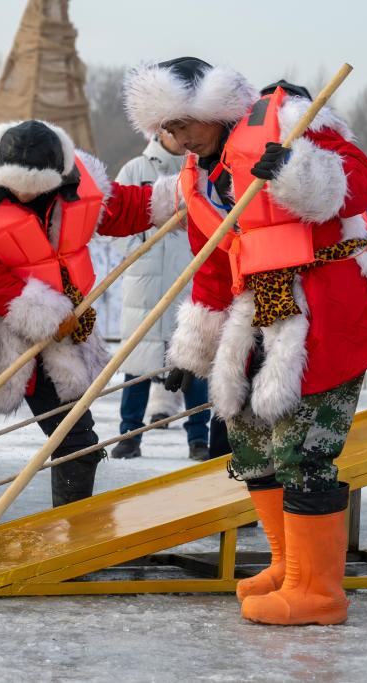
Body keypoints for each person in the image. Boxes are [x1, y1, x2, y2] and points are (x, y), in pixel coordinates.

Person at [124, 57, 367, 625]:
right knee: (252, 443)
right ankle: (288, 565)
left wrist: (298, 168)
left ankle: (319, 591)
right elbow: (212, 266)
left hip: (326, 311)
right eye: (167, 129)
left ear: (213, 109)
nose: (177, 138)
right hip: (251, 315)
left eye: (185, 124)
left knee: (305, 450)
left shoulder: (289, 121)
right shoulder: (197, 177)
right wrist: (194, 348)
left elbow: (363, 183)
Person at [0, 118, 175, 506]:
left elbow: (125, 208)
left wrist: (176, 197)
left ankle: (71, 528)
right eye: (16, 190)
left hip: (60, 336)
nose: (24, 196)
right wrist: (48, 316)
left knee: (75, 437)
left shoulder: (81, 183)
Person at [109, 131, 212, 461]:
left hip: (189, 275)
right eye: (171, 129)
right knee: (138, 359)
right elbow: (113, 217)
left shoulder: (200, 170)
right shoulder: (135, 169)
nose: (179, 137)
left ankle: (198, 436)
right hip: (146, 282)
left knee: (193, 359)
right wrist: (137, 251)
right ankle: (129, 434)